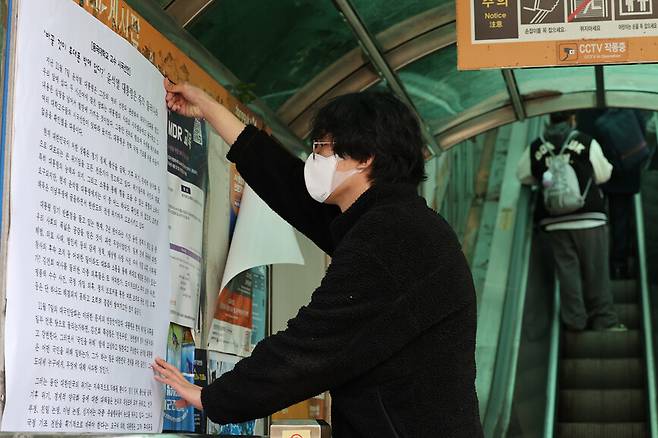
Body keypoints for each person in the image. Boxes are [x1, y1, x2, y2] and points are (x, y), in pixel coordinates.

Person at [151, 79, 483, 437]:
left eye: (321, 147)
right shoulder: (390, 221)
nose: (314, 159)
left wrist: (214, 397)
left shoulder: (392, 237)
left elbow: (311, 347)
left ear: (365, 157)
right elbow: (286, 183)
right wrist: (208, 108)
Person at [516, 111, 624, 332]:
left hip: (556, 222)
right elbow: (604, 174)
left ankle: (575, 321)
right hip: (590, 218)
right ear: (572, 119)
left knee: (568, 274)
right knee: (596, 272)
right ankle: (604, 320)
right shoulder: (585, 142)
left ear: (549, 120)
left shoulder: (537, 146)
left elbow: (522, 175)